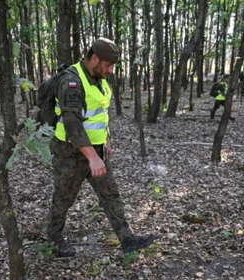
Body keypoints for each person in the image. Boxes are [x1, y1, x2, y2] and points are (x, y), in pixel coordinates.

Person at [47, 37, 156, 257]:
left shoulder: (98, 79)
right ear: (94, 58)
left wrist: (105, 143)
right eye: (108, 65)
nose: (111, 70)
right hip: (70, 153)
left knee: (110, 195)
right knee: (63, 198)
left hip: (97, 150)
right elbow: (72, 123)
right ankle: (54, 241)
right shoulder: (71, 81)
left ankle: (127, 240)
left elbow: (98, 115)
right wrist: (91, 157)